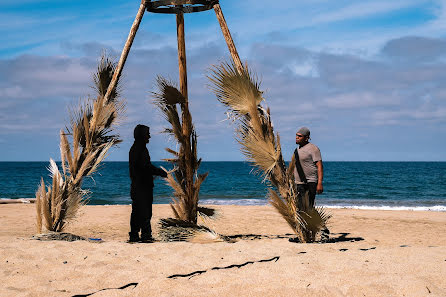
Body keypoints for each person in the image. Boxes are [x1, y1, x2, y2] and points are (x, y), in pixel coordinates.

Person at [129, 124, 167, 243]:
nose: (149, 136)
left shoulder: (136, 148)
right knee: (145, 212)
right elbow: (145, 167)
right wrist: (160, 172)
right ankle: (146, 236)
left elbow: (143, 167)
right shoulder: (140, 149)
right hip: (142, 186)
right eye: (147, 133)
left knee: (136, 212)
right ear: (142, 135)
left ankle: (134, 236)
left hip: (137, 185)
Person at [293, 126, 323, 209]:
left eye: (299, 136)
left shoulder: (313, 149)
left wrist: (319, 183)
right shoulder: (297, 149)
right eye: (296, 135)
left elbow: (319, 166)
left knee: (308, 208)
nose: (297, 137)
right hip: (299, 183)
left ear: (306, 138)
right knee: (299, 209)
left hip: (310, 183)